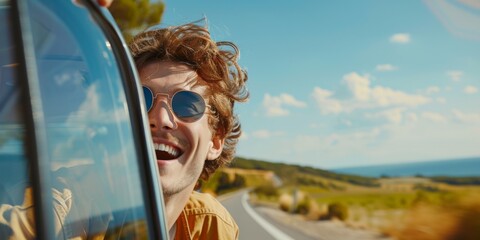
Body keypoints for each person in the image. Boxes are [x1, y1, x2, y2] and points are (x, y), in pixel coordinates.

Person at [129, 22, 248, 239]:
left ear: (216, 141)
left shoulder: (213, 227)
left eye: (186, 104)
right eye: (141, 99)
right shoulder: (71, 214)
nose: (161, 119)